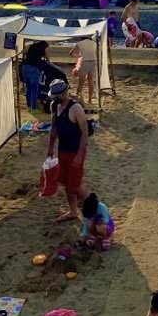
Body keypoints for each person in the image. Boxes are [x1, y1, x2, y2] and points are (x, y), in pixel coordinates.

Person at [46, 79, 90, 222]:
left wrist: (79, 155)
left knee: (76, 185)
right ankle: (72, 211)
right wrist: (51, 148)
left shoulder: (75, 108)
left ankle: (97, 212)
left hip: (75, 150)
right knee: (66, 182)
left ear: (63, 93)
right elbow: (54, 128)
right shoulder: (54, 106)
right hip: (63, 150)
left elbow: (84, 133)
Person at [68, 38, 98, 106]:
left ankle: (78, 100)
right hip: (93, 62)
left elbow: (70, 53)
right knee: (90, 81)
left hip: (85, 62)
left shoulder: (80, 43)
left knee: (81, 82)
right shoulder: (94, 43)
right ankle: (90, 100)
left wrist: (79, 56)